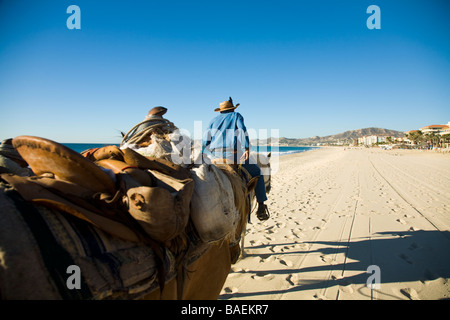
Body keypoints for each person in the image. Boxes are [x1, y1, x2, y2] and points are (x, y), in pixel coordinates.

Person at [202, 97, 270, 221]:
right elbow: (242, 131)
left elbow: (205, 141)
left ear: (220, 111)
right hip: (232, 155)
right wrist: (247, 149)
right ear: (232, 109)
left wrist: (210, 152)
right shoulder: (236, 116)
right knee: (257, 172)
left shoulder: (213, 120)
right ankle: (261, 206)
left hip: (215, 157)